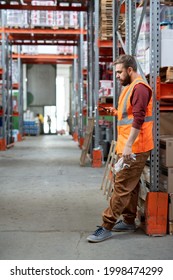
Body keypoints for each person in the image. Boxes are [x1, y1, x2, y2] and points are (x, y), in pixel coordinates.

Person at [87, 54, 154, 243]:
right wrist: (115, 112)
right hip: (132, 145)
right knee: (131, 186)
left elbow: (139, 120)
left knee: (122, 185)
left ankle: (106, 225)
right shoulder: (130, 87)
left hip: (134, 147)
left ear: (130, 70)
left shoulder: (140, 88)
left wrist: (128, 146)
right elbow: (131, 114)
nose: (116, 76)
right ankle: (129, 220)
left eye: (119, 72)